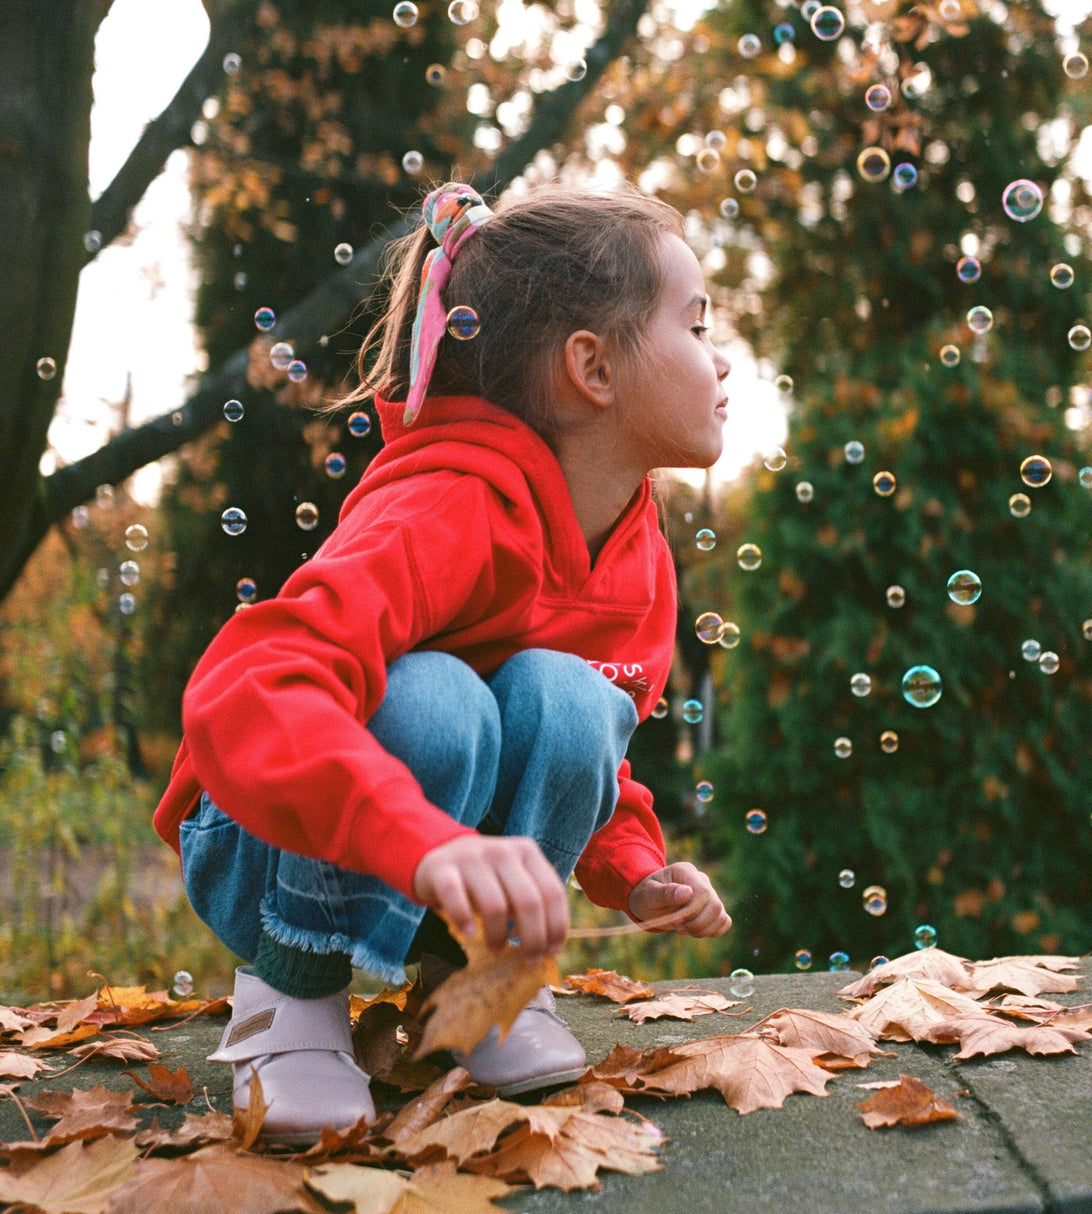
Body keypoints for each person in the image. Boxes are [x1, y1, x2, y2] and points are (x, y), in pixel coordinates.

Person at [153, 180, 733, 1144]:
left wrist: (636, 868)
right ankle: (290, 994)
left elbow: (598, 751)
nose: (721, 364)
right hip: (262, 834)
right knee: (435, 697)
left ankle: (478, 993)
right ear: (590, 366)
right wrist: (419, 837)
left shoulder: (637, 556)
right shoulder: (444, 505)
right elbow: (248, 692)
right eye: (696, 325)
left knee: (569, 696)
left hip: (430, 861)